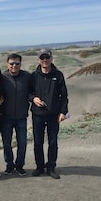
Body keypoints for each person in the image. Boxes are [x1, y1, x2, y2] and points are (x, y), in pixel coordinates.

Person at [29, 49, 69, 179]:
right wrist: (33, 99)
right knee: (38, 142)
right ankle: (40, 167)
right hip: (38, 114)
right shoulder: (34, 76)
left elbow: (64, 95)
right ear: (38, 59)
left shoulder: (58, 75)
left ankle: (51, 167)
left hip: (53, 114)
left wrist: (63, 111)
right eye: (42, 57)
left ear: (51, 58)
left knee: (53, 142)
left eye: (47, 57)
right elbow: (28, 93)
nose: (45, 60)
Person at [1, 53, 31, 176]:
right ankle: (9, 165)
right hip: (6, 117)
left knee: (22, 143)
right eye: (12, 63)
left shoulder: (27, 77)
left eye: (17, 63)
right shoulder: (2, 77)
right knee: (6, 143)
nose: (14, 66)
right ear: (7, 64)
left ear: (20, 64)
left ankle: (19, 165)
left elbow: (32, 92)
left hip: (21, 117)